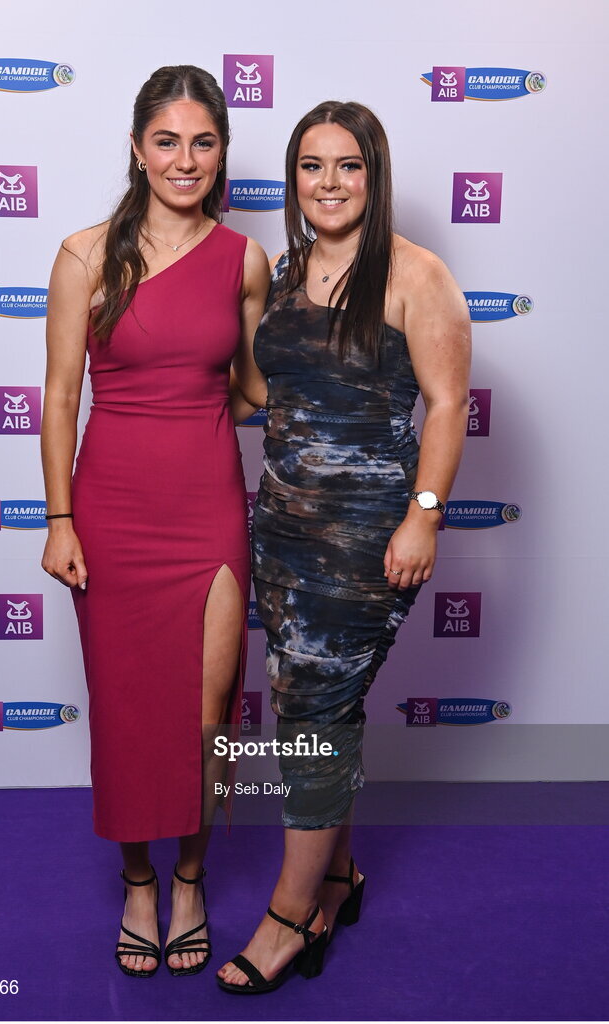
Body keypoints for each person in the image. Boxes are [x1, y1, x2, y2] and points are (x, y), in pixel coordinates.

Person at [218, 100, 471, 993]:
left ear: (375, 175)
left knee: (312, 722)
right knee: (318, 706)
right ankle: (337, 877)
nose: (329, 184)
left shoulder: (414, 274)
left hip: (366, 540)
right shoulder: (286, 276)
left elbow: (446, 405)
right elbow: (260, 395)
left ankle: (288, 919)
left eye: (349, 166)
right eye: (312, 166)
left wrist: (425, 515)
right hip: (281, 530)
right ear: (293, 178)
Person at [40, 64, 269, 979]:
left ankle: (189, 874)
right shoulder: (85, 254)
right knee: (129, 708)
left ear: (221, 157)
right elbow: (59, 396)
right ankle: (139, 879)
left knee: (205, 712)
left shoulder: (244, 258)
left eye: (203, 143)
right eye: (167, 141)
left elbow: (251, 390)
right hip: (112, 507)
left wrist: (322, 366)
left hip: (208, 505)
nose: (186, 159)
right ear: (137, 149)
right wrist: (60, 517)